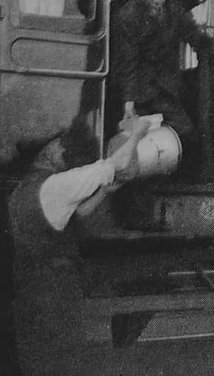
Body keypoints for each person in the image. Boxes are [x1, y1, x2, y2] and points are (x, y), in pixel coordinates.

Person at [8, 115, 150, 375]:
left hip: (28, 292)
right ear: (47, 151)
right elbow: (115, 163)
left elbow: (76, 214)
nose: (65, 149)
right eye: (59, 145)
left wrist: (106, 192)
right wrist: (138, 134)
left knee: (34, 362)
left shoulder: (24, 191)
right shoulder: (57, 186)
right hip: (54, 293)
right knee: (62, 362)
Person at [112, 0, 214, 161]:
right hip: (141, 92)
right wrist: (128, 103)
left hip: (166, 88)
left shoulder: (173, 8)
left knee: (182, 139)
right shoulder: (127, 16)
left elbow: (193, 35)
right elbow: (127, 63)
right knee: (151, 148)